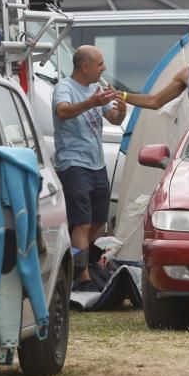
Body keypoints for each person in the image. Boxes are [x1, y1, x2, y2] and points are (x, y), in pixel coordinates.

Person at [52, 45, 126, 290]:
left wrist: (121, 111)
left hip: (96, 164)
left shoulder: (96, 88)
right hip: (73, 163)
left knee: (97, 222)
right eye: (100, 64)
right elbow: (62, 112)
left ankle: (81, 264)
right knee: (82, 223)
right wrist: (89, 102)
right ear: (85, 67)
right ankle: (82, 278)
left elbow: (113, 119)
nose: (104, 68)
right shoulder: (64, 88)